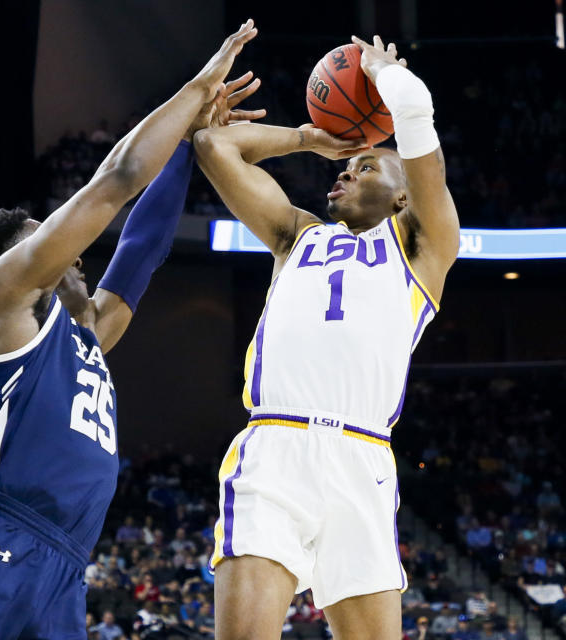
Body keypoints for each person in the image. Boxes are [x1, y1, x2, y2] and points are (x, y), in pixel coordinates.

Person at [0, 21, 261, 640]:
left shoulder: (88, 332)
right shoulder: (3, 302)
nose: (68, 243)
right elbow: (115, 183)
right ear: (14, 263)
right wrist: (196, 91)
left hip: (64, 567)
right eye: (43, 234)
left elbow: (141, 250)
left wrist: (190, 148)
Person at [195, 33, 459, 640]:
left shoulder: (422, 250)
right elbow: (214, 143)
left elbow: (420, 134)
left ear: (401, 196)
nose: (343, 173)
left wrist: (384, 76)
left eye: (363, 165)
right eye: (343, 167)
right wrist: (310, 138)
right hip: (277, 445)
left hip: (363, 458)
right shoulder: (297, 235)